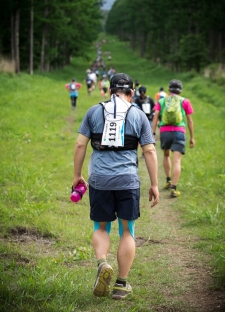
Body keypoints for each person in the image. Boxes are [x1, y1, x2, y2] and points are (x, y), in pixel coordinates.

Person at [72, 73, 159, 300]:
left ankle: (102, 263)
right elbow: (149, 150)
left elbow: (80, 145)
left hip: (100, 179)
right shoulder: (138, 115)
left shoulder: (93, 111)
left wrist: (77, 175)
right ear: (131, 93)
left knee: (101, 227)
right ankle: (121, 284)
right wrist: (155, 184)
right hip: (127, 180)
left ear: (110, 91)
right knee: (127, 230)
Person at [151, 79, 195, 197]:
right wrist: (192, 137)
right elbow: (190, 120)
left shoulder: (161, 100)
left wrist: (153, 133)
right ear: (180, 90)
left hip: (165, 132)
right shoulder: (185, 101)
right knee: (177, 160)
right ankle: (174, 189)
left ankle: (168, 180)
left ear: (169, 89)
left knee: (166, 155)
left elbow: (155, 117)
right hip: (179, 132)